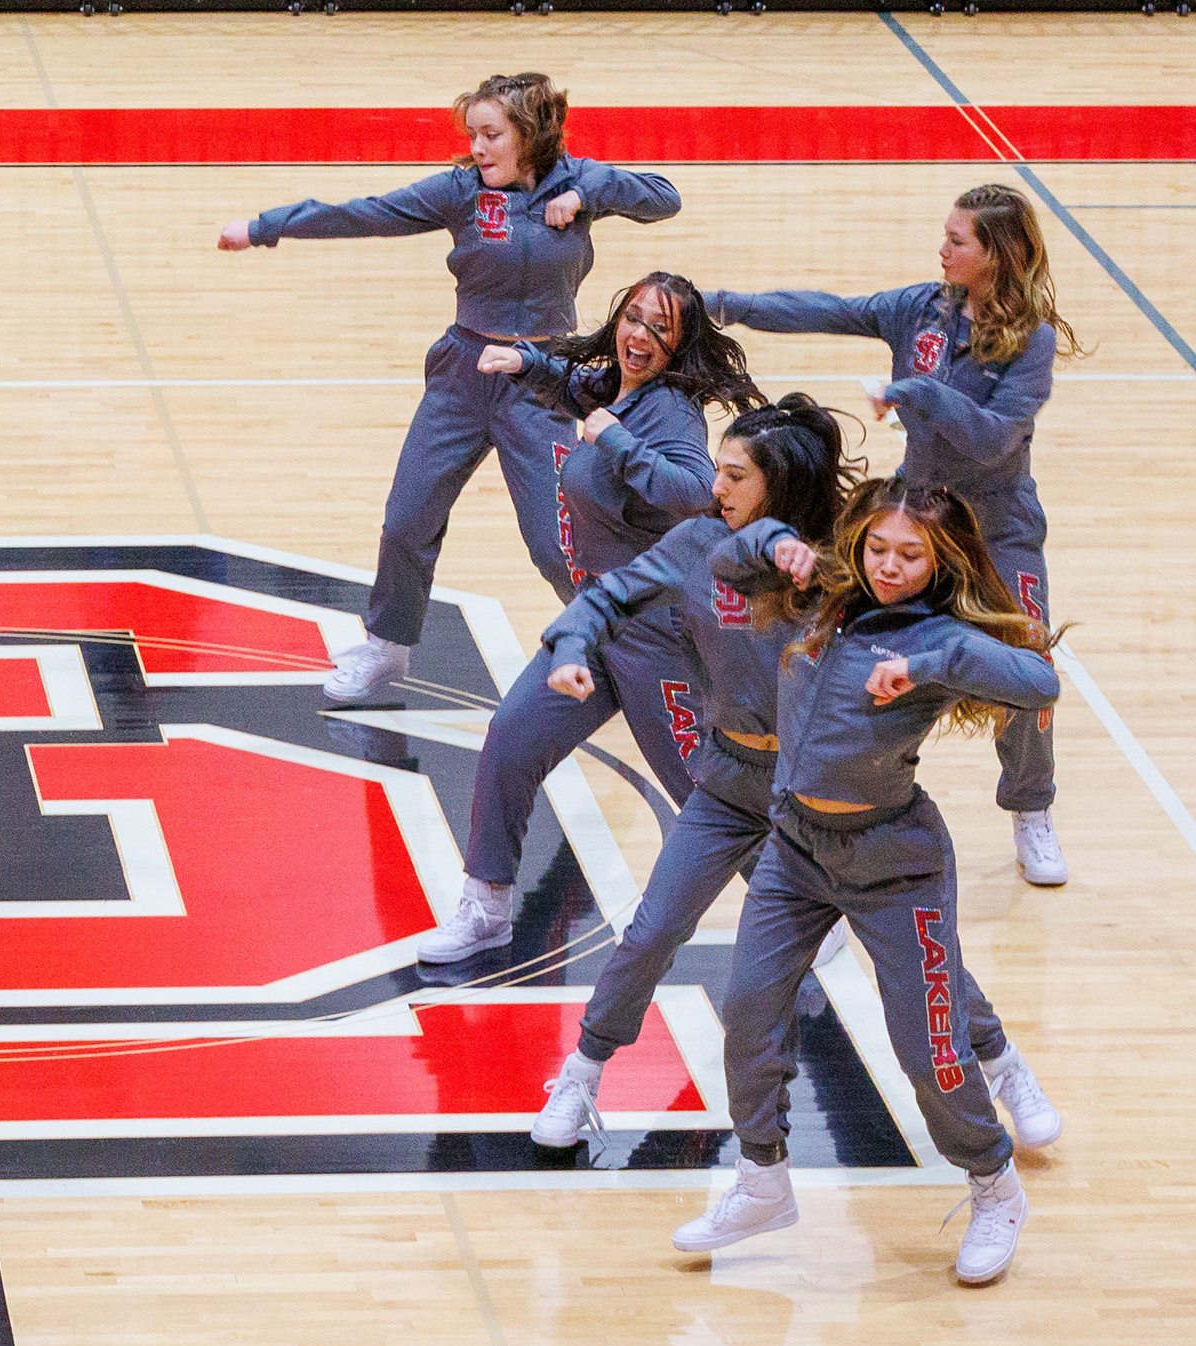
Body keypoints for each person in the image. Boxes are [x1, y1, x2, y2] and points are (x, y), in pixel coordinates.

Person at [527, 397, 1060, 1164]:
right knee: (653, 929)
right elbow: (604, 598)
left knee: (905, 952)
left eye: (734, 474)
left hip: (820, 796)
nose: (715, 486)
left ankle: (1000, 1060)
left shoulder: (849, 564)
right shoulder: (699, 544)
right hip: (727, 782)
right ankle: (582, 1072)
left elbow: (957, 620)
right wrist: (574, 648)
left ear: (778, 484)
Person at [670, 476, 1061, 1287]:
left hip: (893, 862)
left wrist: (928, 664)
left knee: (926, 1051)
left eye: (911, 555)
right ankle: (763, 1180)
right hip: (794, 851)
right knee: (746, 1012)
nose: (889, 566)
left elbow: (1040, 682)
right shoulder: (821, 593)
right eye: (878, 547)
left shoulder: (939, 636)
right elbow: (726, 560)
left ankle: (994, 1184)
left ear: (940, 560)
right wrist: (774, 542)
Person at [217, 73, 681, 701]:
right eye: (473, 135)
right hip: (462, 374)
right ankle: (387, 648)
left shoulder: (579, 182)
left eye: (492, 135)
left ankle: (628, 646)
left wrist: (585, 190)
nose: (478, 148)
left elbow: (665, 198)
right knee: (407, 519)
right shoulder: (461, 191)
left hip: (541, 381)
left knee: (556, 543)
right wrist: (265, 226)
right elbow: (366, 213)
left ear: (530, 134)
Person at [706, 184, 1082, 886]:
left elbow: (992, 440)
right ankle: (807, 793)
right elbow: (829, 309)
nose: (942, 249)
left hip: (996, 526)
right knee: (824, 620)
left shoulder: (1029, 340)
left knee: (1027, 656)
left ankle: (1031, 806)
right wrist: (727, 304)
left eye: (957, 240)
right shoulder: (920, 308)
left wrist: (915, 391)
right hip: (916, 519)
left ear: (996, 254)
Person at [416, 272, 760, 965]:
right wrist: (528, 362)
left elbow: (696, 491)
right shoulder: (619, 388)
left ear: (680, 345)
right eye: (633, 317)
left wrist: (619, 444)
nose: (639, 335)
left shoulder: (670, 411)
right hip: (597, 622)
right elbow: (580, 387)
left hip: (657, 636)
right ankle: (486, 908)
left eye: (659, 328)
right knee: (512, 738)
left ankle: (801, 909)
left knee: (704, 793)